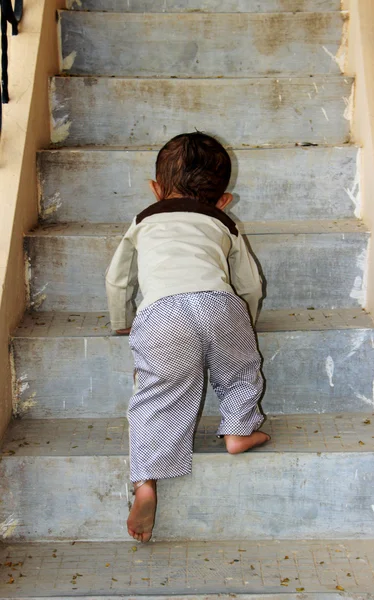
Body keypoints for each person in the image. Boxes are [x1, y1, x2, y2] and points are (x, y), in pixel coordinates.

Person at [105, 132, 270, 543]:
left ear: (156, 189)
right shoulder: (224, 222)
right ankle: (238, 431)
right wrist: (244, 321)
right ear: (224, 199)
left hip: (162, 312)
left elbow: (118, 279)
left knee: (156, 392)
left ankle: (145, 482)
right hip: (220, 304)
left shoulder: (144, 219)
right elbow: (250, 285)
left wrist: (119, 320)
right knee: (240, 372)